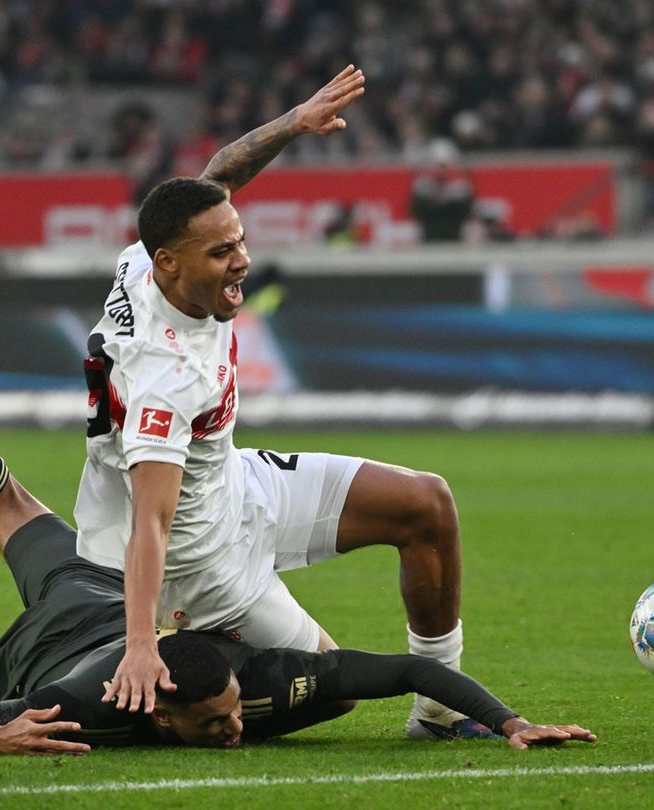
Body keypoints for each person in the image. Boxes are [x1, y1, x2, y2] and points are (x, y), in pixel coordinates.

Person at [0, 272, 597, 756]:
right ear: (161, 716)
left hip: (99, 588)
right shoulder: (89, 710)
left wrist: (510, 721)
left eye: (228, 714)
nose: (234, 731)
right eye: (220, 726)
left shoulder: (255, 682)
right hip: (54, 650)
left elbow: (389, 669)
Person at [76, 65, 472, 740]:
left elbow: (218, 172)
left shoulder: (146, 261)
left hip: (236, 481)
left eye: (240, 242)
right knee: (330, 693)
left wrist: (295, 122)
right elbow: (151, 521)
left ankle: (439, 715)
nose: (242, 262)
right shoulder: (165, 377)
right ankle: (172, 694)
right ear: (171, 264)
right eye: (222, 252)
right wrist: (140, 641)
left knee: (425, 503)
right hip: (202, 561)